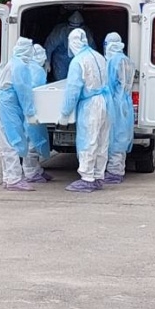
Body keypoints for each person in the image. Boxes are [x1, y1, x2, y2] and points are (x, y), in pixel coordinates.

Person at [0, 38, 53, 191]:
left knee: (7, 144)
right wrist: (30, 112)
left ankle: (9, 178)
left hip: (5, 107)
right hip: (8, 109)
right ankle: (13, 179)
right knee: (12, 143)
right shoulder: (20, 67)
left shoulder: (14, 63)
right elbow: (24, 92)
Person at [60, 29, 111, 193]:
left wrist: (65, 113)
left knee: (89, 139)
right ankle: (98, 175)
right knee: (102, 140)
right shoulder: (99, 56)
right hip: (105, 101)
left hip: (90, 105)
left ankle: (87, 177)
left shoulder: (78, 62)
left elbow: (73, 90)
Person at [102, 33, 137, 184]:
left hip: (115, 103)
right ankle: (118, 169)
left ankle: (114, 171)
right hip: (125, 103)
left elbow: (108, 84)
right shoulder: (126, 60)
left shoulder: (112, 62)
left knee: (114, 137)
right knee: (122, 136)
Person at [44, 11, 96, 81]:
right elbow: (49, 46)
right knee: (60, 81)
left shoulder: (86, 33)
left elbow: (92, 50)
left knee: (76, 80)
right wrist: (47, 61)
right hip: (60, 59)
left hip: (79, 59)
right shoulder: (60, 31)